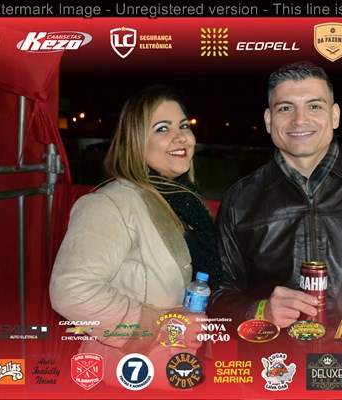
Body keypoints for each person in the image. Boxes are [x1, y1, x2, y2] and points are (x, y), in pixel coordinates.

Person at [212, 61, 342, 350]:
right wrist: (259, 312)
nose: (300, 120)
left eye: (314, 106)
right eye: (285, 108)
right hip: (275, 373)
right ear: (268, 120)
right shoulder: (240, 200)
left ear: (334, 115)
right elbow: (218, 298)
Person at [49, 86, 221, 387]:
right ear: (135, 142)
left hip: (180, 370)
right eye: (162, 128)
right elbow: (71, 292)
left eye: (183, 125)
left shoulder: (188, 203)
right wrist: (159, 325)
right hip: (127, 378)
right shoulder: (109, 203)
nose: (181, 137)